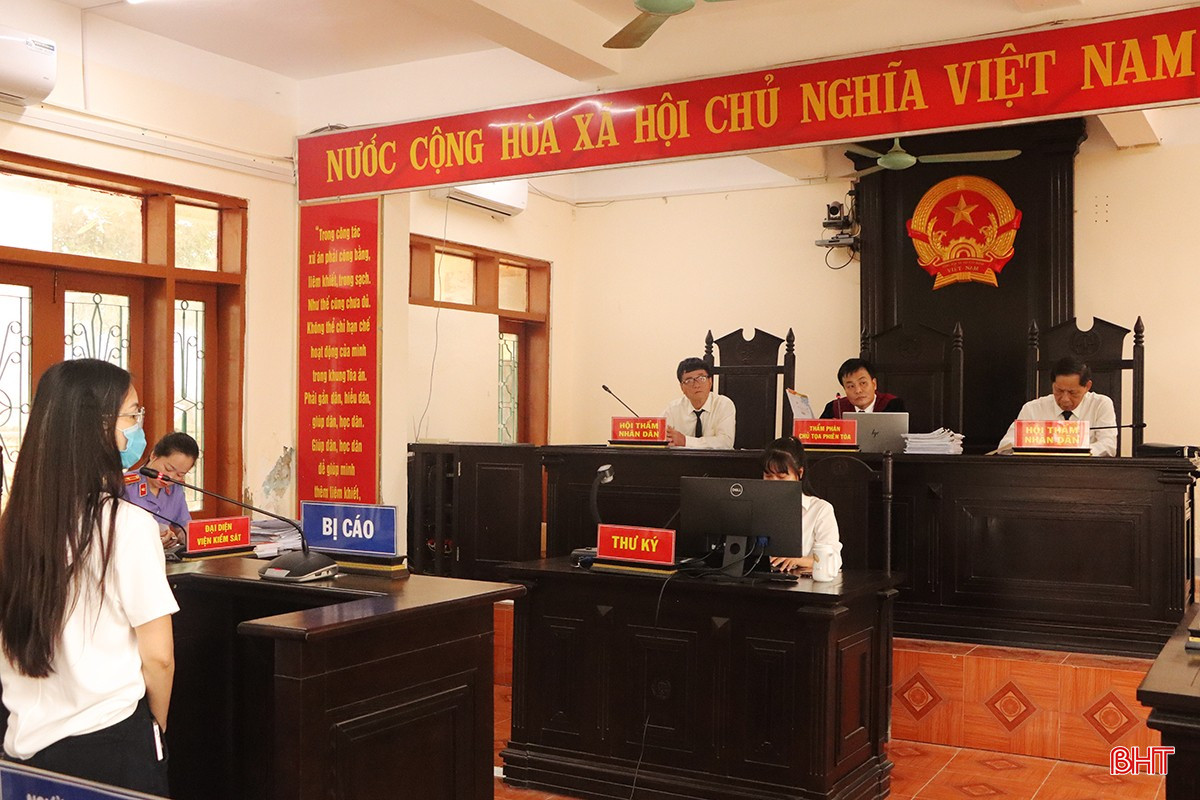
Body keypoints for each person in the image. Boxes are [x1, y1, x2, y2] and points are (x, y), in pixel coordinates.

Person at [0, 359, 178, 796]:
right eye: (132, 415)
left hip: (22, 747)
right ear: (97, 427)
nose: (138, 428)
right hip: (110, 746)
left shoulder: (11, 526)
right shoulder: (127, 525)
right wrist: (155, 727)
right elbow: (159, 658)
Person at [997, 357, 1117, 456]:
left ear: (1087, 386)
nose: (1065, 399)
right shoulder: (1033, 408)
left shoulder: (1100, 404)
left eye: (1072, 392)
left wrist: (1076, 451)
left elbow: (1108, 446)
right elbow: (1005, 446)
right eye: (1059, 391)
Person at [760, 436, 841, 572]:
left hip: (801, 581)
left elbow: (833, 560)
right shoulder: (758, 507)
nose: (774, 483)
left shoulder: (820, 509)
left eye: (781, 477)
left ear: (800, 473)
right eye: (768, 476)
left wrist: (798, 560)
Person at [125, 432, 199, 549]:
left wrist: (181, 538)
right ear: (154, 455)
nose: (171, 477)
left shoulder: (175, 489)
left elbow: (184, 528)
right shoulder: (125, 485)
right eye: (168, 469)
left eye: (180, 474)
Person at [661, 357, 736, 449]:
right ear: (682, 387)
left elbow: (725, 443)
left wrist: (685, 441)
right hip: (681, 458)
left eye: (701, 378)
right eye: (689, 381)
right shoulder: (672, 409)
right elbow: (660, 438)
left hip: (717, 459)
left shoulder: (723, 404)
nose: (696, 385)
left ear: (710, 381)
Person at [819, 358, 906, 418]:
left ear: (874, 384)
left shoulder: (893, 405)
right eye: (851, 386)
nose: (858, 390)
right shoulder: (834, 408)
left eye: (863, 383)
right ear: (844, 389)